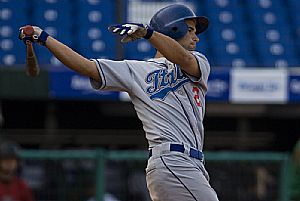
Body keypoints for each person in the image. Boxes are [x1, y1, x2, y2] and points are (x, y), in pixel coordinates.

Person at [19, 4, 219, 201]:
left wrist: (147, 33)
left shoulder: (199, 61)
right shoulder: (135, 70)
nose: (196, 37)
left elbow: (183, 59)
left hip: (192, 163)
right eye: (191, 30)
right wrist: (44, 38)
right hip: (172, 159)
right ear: (173, 29)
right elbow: (87, 66)